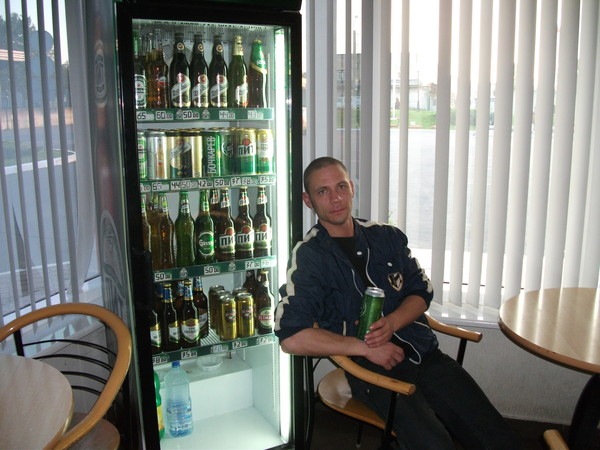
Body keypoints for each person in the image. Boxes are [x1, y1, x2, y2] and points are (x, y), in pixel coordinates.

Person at [274, 157, 522, 449]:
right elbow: (292, 338)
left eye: (341, 186)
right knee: (434, 444)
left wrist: (392, 323)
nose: (336, 198)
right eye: (322, 191)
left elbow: (422, 292)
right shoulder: (310, 256)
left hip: (424, 354)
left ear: (351, 188)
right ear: (308, 200)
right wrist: (365, 348)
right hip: (371, 370)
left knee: (496, 435)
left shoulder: (386, 236)